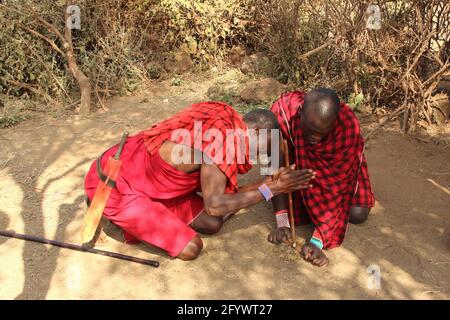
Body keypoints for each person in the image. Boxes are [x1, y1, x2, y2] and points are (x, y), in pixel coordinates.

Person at [85, 101, 315, 260]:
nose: (255, 159)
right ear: (254, 133)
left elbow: (217, 207)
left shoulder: (224, 115)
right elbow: (215, 205)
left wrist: (271, 183)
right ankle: (119, 213)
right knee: (191, 248)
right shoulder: (224, 143)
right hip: (115, 184)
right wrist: (272, 189)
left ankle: (155, 207)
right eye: (260, 150)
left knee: (211, 224)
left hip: (140, 171)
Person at [268, 88, 375, 267]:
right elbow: (271, 166)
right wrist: (282, 222)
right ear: (300, 113)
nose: (314, 140)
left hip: (339, 171)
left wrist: (318, 241)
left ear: (335, 123)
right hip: (298, 168)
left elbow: (337, 186)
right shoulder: (284, 113)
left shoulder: (347, 127)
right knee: (297, 208)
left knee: (357, 213)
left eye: (321, 134)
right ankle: (295, 207)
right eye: (309, 131)